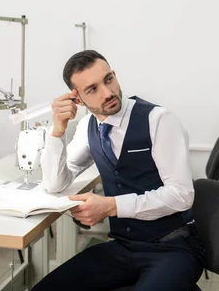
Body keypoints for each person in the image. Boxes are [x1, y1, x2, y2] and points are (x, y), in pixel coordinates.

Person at [33, 50, 205, 291]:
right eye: (92, 89)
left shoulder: (159, 121)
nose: (107, 93)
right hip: (124, 247)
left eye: (108, 80)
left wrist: (110, 206)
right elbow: (55, 184)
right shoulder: (87, 127)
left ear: (114, 75)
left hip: (174, 247)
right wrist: (58, 130)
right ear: (78, 100)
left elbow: (181, 195)